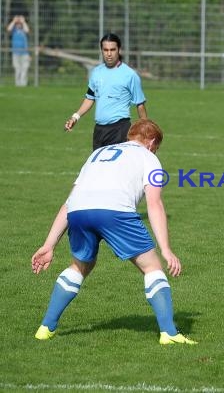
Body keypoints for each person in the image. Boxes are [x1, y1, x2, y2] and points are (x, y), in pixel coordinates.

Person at [31, 119, 196, 345]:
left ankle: (45, 328)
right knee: (152, 267)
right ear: (152, 142)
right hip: (115, 212)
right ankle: (168, 333)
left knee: (81, 265)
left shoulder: (98, 154)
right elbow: (154, 204)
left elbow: (70, 201)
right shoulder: (150, 158)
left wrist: (49, 244)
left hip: (79, 212)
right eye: (157, 146)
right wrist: (166, 250)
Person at [64, 33, 148, 151]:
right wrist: (75, 117)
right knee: (98, 168)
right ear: (101, 51)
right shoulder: (96, 72)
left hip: (120, 129)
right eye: (105, 50)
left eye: (112, 50)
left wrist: (145, 130)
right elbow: (90, 97)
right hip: (99, 130)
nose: (109, 54)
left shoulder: (130, 75)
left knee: (116, 168)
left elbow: (140, 104)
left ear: (119, 50)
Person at [6, 15, 31, 87]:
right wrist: (14, 21)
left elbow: (27, 30)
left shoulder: (24, 30)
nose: (19, 24)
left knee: (24, 69)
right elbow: (8, 29)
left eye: (20, 23)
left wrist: (23, 22)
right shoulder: (14, 30)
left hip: (25, 53)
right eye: (18, 23)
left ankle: (23, 84)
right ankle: (17, 84)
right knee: (17, 69)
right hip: (16, 53)